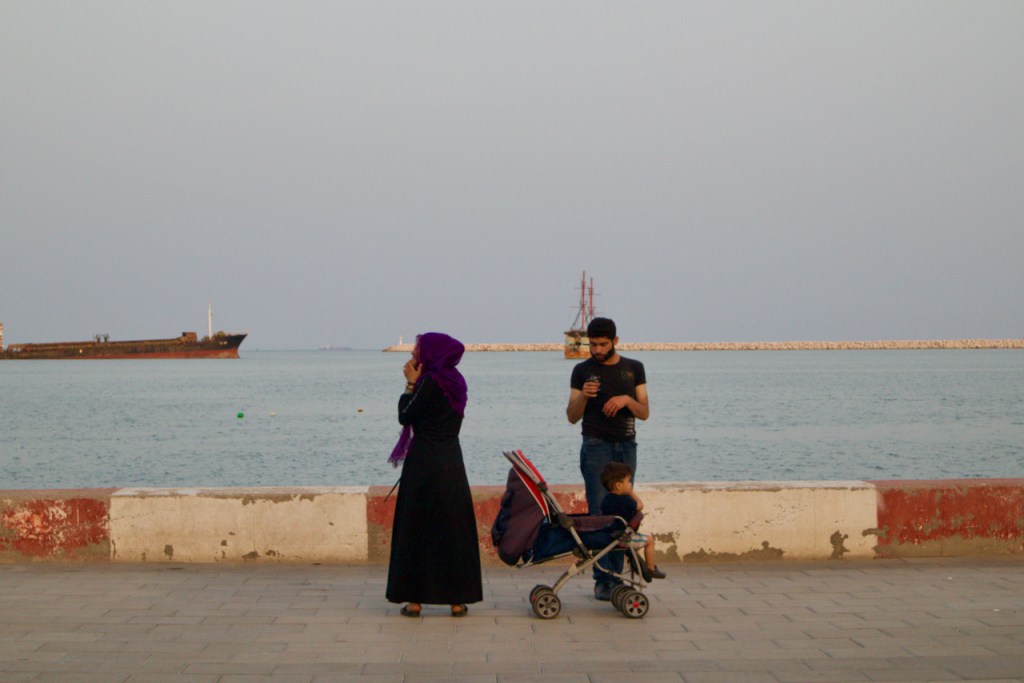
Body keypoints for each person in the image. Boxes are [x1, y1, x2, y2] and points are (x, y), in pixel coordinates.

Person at [385, 332, 482, 617]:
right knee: (452, 528)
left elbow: (406, 415)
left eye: (418, 349)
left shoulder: (428, 382)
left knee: (417, 526)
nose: (413, 353)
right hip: (451, 461)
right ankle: (457, 600)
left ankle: (415, 600)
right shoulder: (457, 382)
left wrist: (409, 384)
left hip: (424, 462)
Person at [566, 317, 649, 600]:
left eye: (603, 344)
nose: (597, 350)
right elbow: (571, 416)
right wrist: (584, 397)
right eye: (593, 345)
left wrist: (627, 400)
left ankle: (618, 577)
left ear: (615, 341)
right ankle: (603, 580)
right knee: (600, 513)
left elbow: (645, 412)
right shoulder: (581, 371)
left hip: (626, 445)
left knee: (623, 510)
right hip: (595, 446)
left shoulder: (633, 368)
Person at [599, 462, 666, 579]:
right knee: (649, 540)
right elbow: (640, 505)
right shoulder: (626, 500)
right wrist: (631, 493)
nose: (630, 484)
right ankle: (651, 568)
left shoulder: (606, 499)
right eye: (628, 481)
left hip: (610, 536)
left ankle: (637, 564)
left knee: (635, 541)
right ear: (619, 485)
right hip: (624, 538)